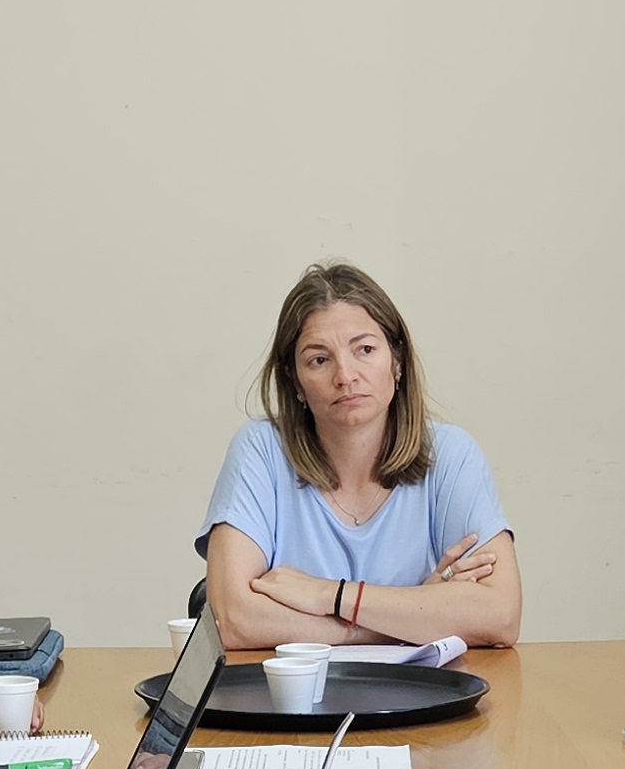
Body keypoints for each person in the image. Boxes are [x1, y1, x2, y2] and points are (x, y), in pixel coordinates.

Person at [197, 261, 522, 648]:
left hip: (423, 702)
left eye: (365, 350)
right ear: (294, 381)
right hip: (291, 705)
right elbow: (234, 620)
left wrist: (328, 595)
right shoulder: (260, 450)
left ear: (397, 361)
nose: (346, 375)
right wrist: (409, 618)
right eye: (319, 359)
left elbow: (500, 616)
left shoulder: (451, 454)